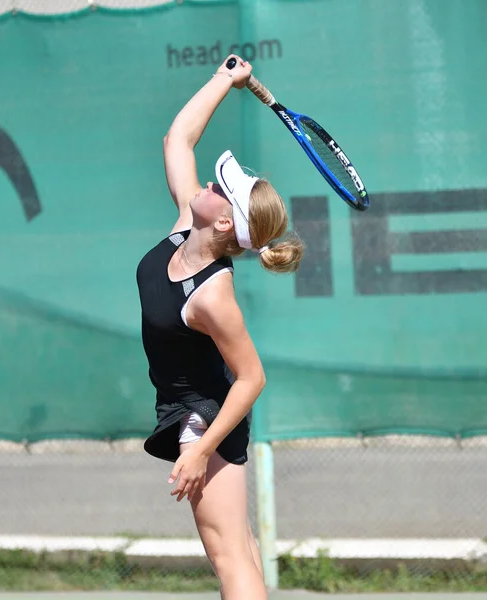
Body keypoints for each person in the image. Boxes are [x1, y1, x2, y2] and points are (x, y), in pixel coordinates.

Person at [136, 55, 304, 600]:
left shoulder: (213, 294)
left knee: (230, 558)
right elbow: (177, 140)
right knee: (242, 552)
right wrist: (224, 80)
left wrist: (200, 448)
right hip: (187, 406)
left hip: (204, 414)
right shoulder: (189, 222)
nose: (209, 181)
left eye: (220, 187)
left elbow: (251, 378)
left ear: (226, 220)